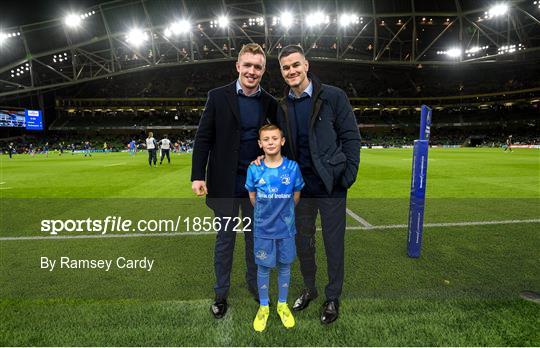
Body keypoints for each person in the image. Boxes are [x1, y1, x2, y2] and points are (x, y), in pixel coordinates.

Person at [274, 45, 361, 324]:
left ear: (306, 65)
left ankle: (332, 297)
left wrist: (346, 177)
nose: (292, 71)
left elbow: (351, 138)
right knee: (303, 242)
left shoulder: (333, 96)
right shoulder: (282, 106)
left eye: (296, 65)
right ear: (281, 72)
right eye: (286, 67)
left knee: (333, 243)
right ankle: (309, 289)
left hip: (331, 185)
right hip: (300, 190)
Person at [191, 43, 277, 319]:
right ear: (238, 66)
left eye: (258, 67)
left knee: (256, 241)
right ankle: (220, 293)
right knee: (225, 241)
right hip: (224, 185)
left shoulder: (270, 103)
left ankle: (255, 286)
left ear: (263, 71)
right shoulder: (217, 97)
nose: (252, 71)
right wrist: (197, 175)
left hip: (256, 187)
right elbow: (203, 138)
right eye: (248, 65)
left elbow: (277, 143)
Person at [245, 124, 304, 332]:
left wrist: (283, 214)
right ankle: (263, 307)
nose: (270, 142)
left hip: (286, 229)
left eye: (274, 138)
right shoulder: (254, 168)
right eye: (266, 139)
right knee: (263, 268)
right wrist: (267, 215)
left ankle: (282, 304)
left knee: (285, 266)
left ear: (282, 141)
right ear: (260, 144)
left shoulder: (292, 168)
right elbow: (252, 197)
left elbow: (296, 195)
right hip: (263, 229)